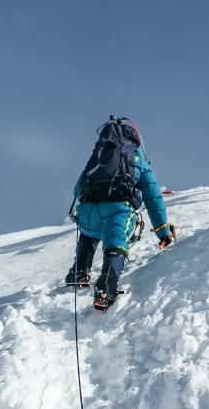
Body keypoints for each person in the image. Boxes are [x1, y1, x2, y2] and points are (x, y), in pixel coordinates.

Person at [66, 115, 174, 310]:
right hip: (117, 210)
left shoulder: (99, 154)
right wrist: (163, 232)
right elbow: (153, 198)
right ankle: (106, 287)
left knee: (88, 235)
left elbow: (77, 190)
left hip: (88, 213)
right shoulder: (136, 157)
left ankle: (79, 271)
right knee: (115, 239)